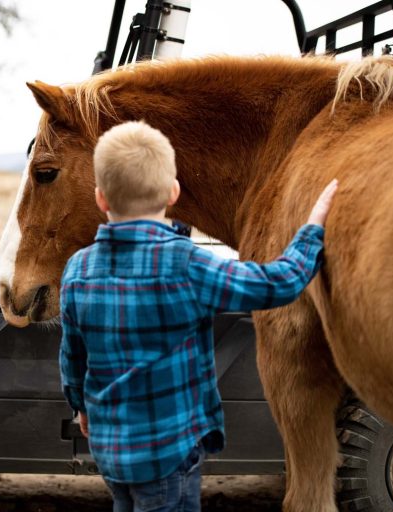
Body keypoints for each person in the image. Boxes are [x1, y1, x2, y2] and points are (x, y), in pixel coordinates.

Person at [58, 120, 338, 512]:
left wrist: (80, 405)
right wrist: (311, 230)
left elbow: (72, 355)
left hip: (110, 450)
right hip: (169, 453)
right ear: (174, 192)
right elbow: (276, 283)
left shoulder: (78, 270)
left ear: (101, 198)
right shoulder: (186, 264)